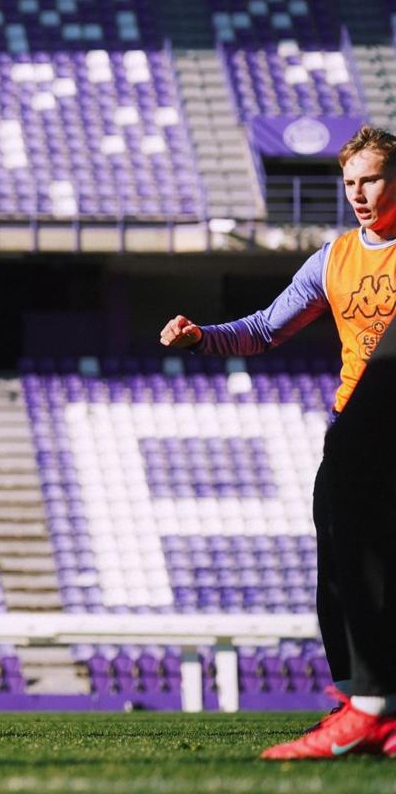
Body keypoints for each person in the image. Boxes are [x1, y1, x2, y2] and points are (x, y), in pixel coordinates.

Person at [159, 124, 396, 759]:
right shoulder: (334, 259)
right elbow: (265, 329)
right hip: (356, 430)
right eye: (349, 183)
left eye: (371, 178)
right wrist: (201, 337)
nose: (359, 194)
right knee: (341, 570)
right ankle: (356, 704)